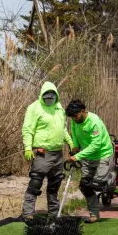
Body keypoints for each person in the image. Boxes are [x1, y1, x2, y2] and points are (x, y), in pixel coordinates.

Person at [22, 81, 74, 221]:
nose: (49, 99)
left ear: (56, 96)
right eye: (47, 97)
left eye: (52, 97)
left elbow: (62, 129)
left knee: (54, 185)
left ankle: (53, 214)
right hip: (42, 152)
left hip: (58, 154)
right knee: (35, 183)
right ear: (42, 96)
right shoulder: (34, 108)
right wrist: (28, 148)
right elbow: (27, 130)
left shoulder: (59, 108)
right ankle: (28, 213)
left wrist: (70, 142)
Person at [65, 99, 114, 223]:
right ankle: (94, 214)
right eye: (72, 117)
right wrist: (75, 146)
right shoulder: (74, 120)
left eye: (75, 116)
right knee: (85, 186)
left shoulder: (94, 122)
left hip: (102, 154)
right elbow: (74, 133)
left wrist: (77, 157)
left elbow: (96, 145)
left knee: (98, 185)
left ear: (83, 111)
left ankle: (111, 177)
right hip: (87, 157)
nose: (74, 119)